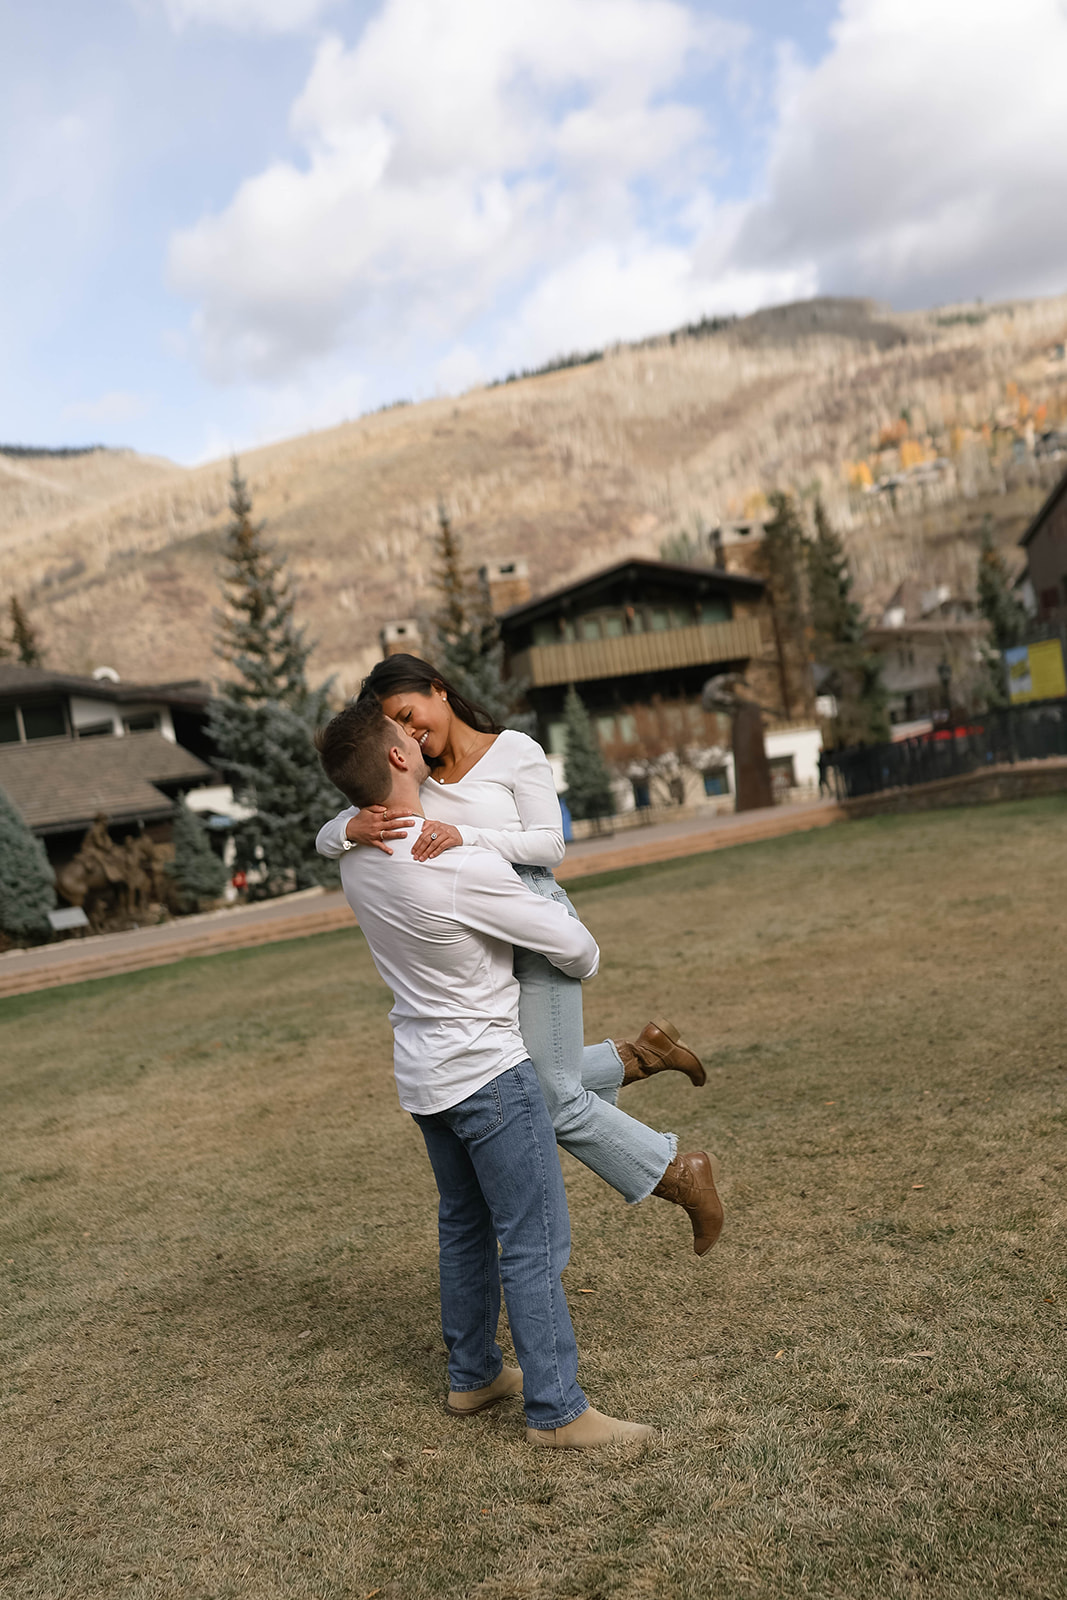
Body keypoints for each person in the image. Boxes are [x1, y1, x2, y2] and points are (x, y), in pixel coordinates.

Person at [315, 696, 656, 1447]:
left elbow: (337, 833)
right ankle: (557, 1412)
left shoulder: (357, 859)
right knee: (530, 1239)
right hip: (488, 1077)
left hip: (423, 1080)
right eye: (405, 733)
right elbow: (580, 951)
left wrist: (343, 824)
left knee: (464, 1228)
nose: (418, 735)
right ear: (400, 760)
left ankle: (472, 1376)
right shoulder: (463, 868)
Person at [315, 654, 723, 1256]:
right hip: (483, 939)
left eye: (410, 714)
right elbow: (334, 825)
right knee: (524, 1081)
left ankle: (681, 1174)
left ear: (438, 690)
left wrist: (465, 835)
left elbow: (549, 843)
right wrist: (346, 833)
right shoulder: (416, 773)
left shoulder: (515, 751)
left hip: (533, 922)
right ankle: (639, 1056)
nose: (411, 731)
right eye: (399, 729)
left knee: (551, 1100)